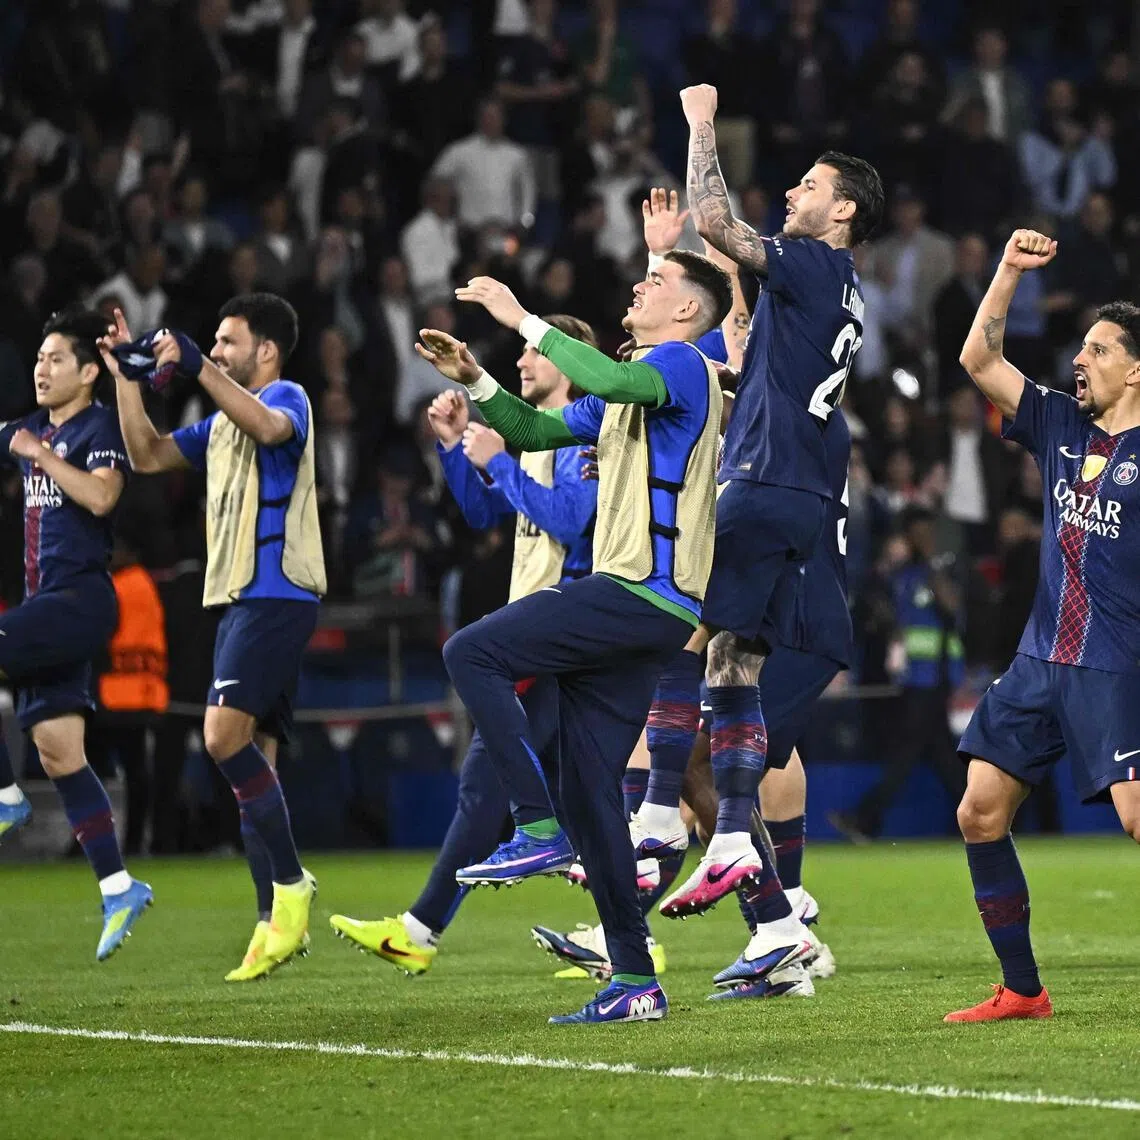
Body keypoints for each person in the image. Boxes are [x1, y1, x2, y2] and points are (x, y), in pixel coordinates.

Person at [417, 249, 731, 1025]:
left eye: (657, 281)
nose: (639, 284)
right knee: (596, 795)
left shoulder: (683, 365)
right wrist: (476, 379)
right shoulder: (627, 393)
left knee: (471, 651)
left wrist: (520, 315)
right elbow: (528, 431)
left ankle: (534, 824)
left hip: (638, 592)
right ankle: (635, 981)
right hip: (647, 612)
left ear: (689, 310)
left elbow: (614, 379)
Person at [630, 85, 882, 996]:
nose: (794, 193)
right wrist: (677, 258)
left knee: (666, 618)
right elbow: (739, 328)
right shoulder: (822, 294)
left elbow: (719, 217)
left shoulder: (815, 264)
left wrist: (699, 119)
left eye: (810, 184)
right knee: (727, 662)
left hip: (766, 496)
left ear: (842, 209)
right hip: (791, 504)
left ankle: (661, 821)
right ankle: (769, 912)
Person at [328, 314, 599, 973]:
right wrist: (454, 449)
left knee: (487, 786)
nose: (524, 362)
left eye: (536, 352)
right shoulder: (542, 438)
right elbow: (484, 514)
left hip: (559, 629)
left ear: (570, 362)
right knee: (582, 790)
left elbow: (570, 517)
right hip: (545, 629)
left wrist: (499, 461)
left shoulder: (583, 437)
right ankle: (644, 933)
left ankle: (419, 932)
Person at [100, 292, 325, 982]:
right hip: (240, 600)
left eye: (229, 342)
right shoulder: (220, 423)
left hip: (273, 595)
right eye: (215, 342)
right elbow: (146, 455)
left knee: (221, 738)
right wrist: (123, 378)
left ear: (265, 349)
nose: (218, 351)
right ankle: (270, 924)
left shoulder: (286, 395)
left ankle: (290, 885)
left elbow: (269, 426)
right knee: (257, 758)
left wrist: (197, 366)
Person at [947, 230, 1140, 1023]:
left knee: (1136, 818)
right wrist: (1008, 273)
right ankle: (1023, 989)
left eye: (1099, 350)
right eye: (1082, 348)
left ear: (1136, 368)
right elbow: (978, 362)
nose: (1081, 359)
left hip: (1114, 664)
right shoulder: (1060, 422)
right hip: (1039, 659)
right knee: (978, 809)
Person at [0, 308, 152, 961]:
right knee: (61, 754)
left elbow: (100, 498)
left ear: (89, 372)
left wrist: (39, 455)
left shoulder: (99, 428)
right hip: (46, 607)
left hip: (81, 598)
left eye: (56, 358)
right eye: (38, 358)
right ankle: (119, 885)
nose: (41, 367)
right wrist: (28, 443)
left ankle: (6, 793)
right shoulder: (26, 429)